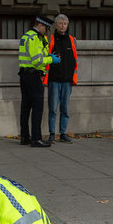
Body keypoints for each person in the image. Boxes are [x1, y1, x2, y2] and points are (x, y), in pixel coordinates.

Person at [18, 15, 59, 147]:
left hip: (24, 75)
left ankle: (25, 137)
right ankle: (36, 138)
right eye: (46, 28)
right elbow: (37, 61)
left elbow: (34, 55)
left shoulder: (26, 36)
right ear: (40, 25)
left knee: (25, 107)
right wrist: (50, 60)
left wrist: (47, 55)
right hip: (33, 76)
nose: (46, 31)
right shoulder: (35, 38)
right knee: (37, 108)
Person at [43, 14, 77, 144]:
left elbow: (75, 60)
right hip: (54, 80)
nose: (63, 26)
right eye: (60, 23)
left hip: (67, 80)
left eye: (65, 23)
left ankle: (63, 133)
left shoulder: (72, 40)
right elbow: (46, 56)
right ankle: (52, 133)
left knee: (65, 109)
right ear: (56, 25)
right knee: (53, 108)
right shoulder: (50, 39)